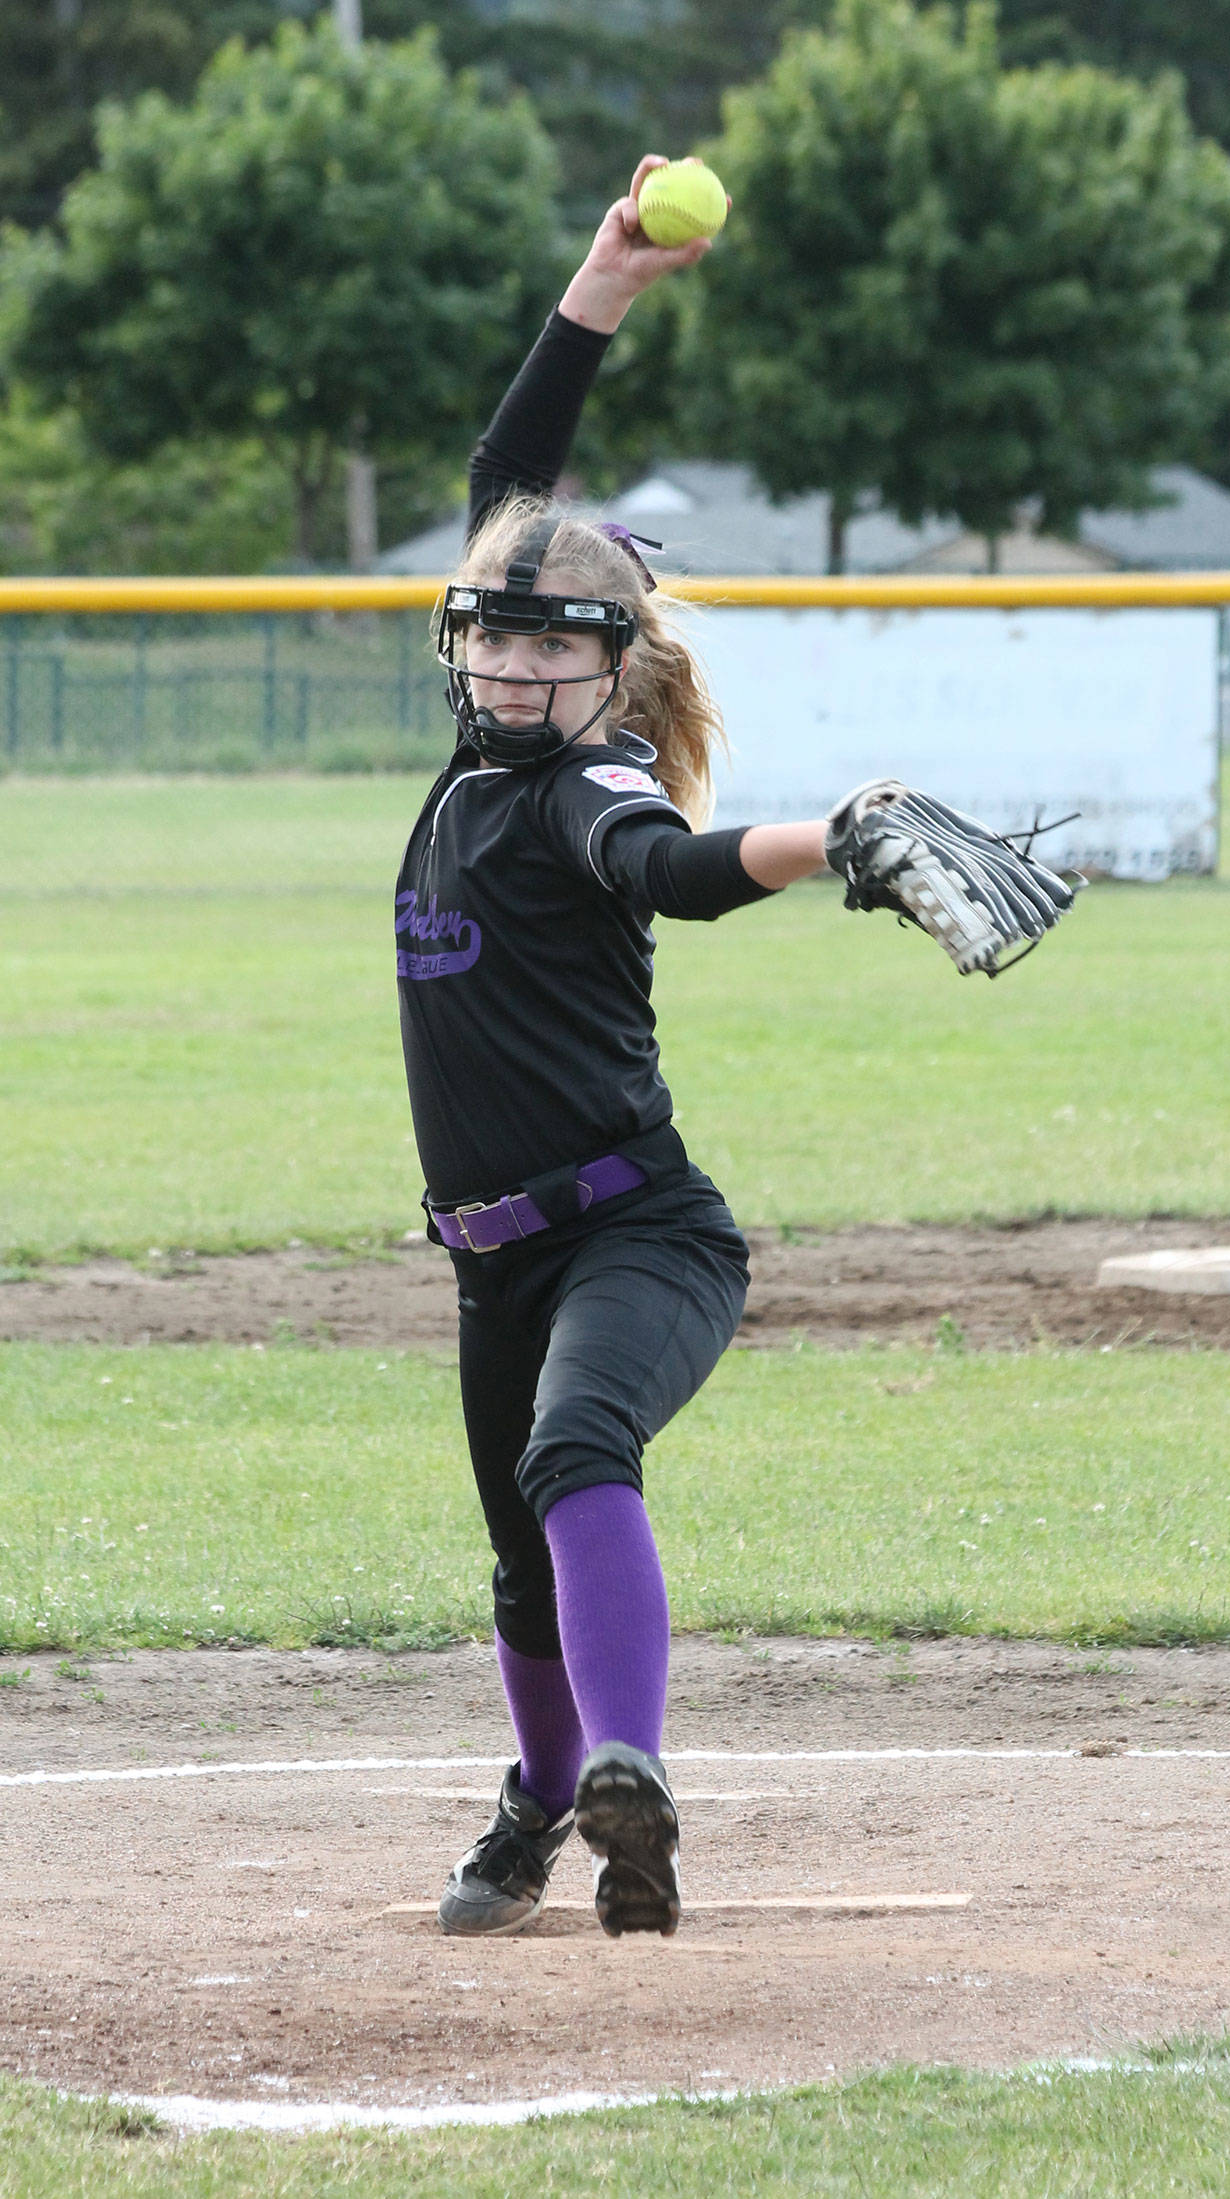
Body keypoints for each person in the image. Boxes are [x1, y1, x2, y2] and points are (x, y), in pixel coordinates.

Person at [395, 157, 834, 1941]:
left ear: (610, 671)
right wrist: (602, 286)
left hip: (638, 1230)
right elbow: (510, 482)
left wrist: (826, 840)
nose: (510, 662)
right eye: (489, 633)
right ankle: (540, 1792)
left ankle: (626, 1768)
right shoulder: (479, 753)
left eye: (548, 644)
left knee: (580, 1445)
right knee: (519, 1571)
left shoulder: (591, 783)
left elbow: (675, 873)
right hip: (490, 1257)